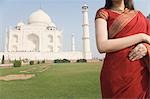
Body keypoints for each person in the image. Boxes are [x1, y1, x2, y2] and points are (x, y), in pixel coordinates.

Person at [95, 0, 150, 98]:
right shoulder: (103, 13)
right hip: (116, 76)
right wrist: (141, 36)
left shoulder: (139, 16)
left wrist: (146, 47)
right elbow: (102, 45)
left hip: (141, 76)